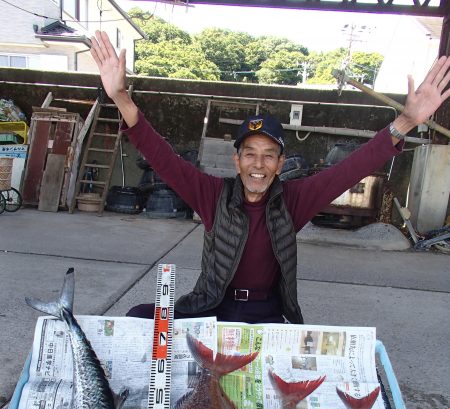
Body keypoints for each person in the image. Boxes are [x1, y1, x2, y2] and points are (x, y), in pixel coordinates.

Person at [90, 31, 450, 324]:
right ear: (237, 161)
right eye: (249, 154)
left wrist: (405, 122)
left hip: (266, 315)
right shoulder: (212, 194)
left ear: (280, 164)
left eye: (268, 155)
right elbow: (163, 158)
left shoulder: (294, 200)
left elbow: (348, 171)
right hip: (211, 307)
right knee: (137, 317)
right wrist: (121, 97)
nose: (258, 164)